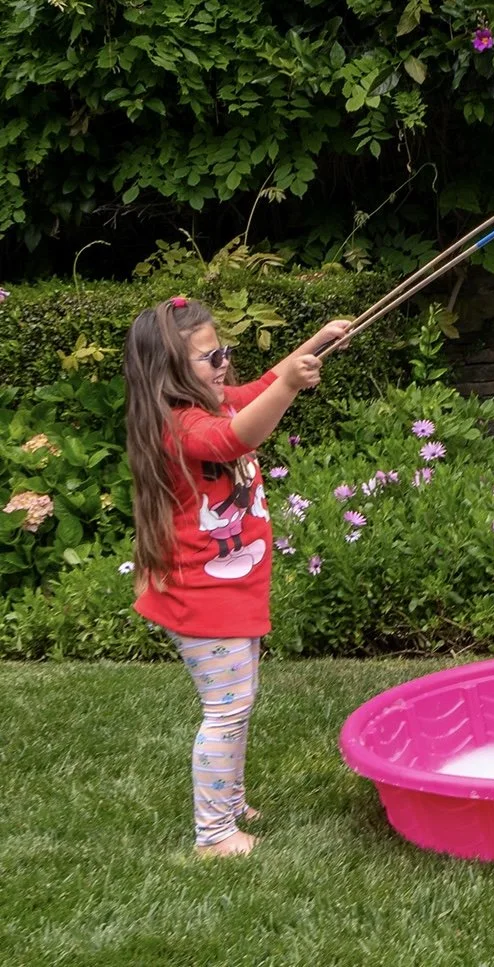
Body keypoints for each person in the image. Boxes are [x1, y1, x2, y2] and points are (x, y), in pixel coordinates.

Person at [123, 295, 348, 857]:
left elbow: (250, 395)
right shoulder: (179, 424)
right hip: (201, 597)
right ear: (170, 371)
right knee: (226, 709)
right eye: (209, 357)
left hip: (227, 587)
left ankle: (229, 800)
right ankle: (214, 833)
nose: (223, 363)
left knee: (238, 701)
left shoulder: (212, 399)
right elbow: (235, 437)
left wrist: (310, 347)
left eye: (223, 351)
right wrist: (291, 384)